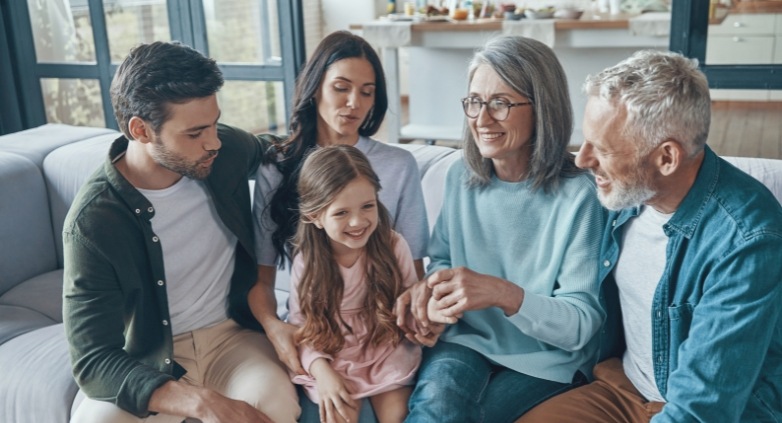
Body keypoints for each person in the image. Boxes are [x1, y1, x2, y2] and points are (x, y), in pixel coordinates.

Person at [519, 51, 782, 422]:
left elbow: (702, 408)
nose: (582, 160)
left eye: (604, 149)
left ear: (667, 158)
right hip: (623, 386)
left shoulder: (748, 240)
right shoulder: (626, 195)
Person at [63, 41, 300, 423]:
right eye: (194, 133)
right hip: (149, 354)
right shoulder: (94, 222)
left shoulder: (224, 152)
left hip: (234, 336)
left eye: (214, 123)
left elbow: (285, 154)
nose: (214, 142)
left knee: (274, 406)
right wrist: (197, 402)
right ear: (140, 130)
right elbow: (93, 360)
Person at [396, 35, 606, 423]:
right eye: (474, 101)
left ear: (542, 108)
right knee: (436, 409)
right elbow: (442, 258)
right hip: (466, 342)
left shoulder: (582, 196)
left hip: (548, 359)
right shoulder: (460, 175)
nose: (482, 118)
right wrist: (430, 298)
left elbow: (581, 325)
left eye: (500, 103)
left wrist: (502, 293)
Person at [249, 30, 430, 382]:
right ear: (316, 87)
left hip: (382, 334)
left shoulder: (398, 165)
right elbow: (262, 280)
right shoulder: (277, 166)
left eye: (367, 92)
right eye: (341, 87)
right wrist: (275, 330)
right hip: (315, 331)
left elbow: (414, 276)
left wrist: (417, 324)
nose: (354, 103)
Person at [287, 145, 422, 423]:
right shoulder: (306, 261)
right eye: (341, 213)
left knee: (397, 413)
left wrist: (423, 318)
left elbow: (411, 301)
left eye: (367, 206)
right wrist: (323, 372)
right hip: (332, 349)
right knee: (340, 414)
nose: (358, 221)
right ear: (315, 217)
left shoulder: (394, 245)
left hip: (384, 345)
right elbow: (301, 327)